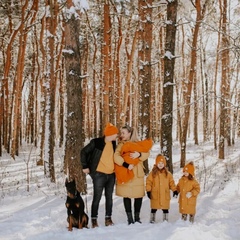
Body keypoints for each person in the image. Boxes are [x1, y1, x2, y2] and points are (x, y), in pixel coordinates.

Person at [80, 123, 118, 228]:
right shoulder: (96, 143)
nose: (116, 135)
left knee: (109, 197)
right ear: (109, 134)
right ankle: (94, 220)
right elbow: (83, 152)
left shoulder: (114, 143)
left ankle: (108, 218)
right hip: (98, 174)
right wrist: (85, 166)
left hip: (111, 175)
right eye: (115, 133)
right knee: (97, 197)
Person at [114, 125, 153, 225]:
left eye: (123, 133)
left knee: (138, 195)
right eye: (121, 133)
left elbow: (147, 153)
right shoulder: (121, 145)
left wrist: (139, 154)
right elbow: (116, 156)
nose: (121, 135)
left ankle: (137, 217)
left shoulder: (137, 144)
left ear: (129, 133)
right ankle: (129, 218)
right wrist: (126, 164)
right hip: (126, 171)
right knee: (126, 195)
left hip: (137, 172)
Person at [146, 154, 178, 223]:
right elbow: (149, 182)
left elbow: (171, 183)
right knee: (154, 208)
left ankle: (165, 220)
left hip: (164, 194)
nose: (160, 165)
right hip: (155, 194)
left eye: (162, 163)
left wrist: (174, 190)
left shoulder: (168, 174)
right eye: (159, 163)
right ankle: (152, 219)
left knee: (165, 208)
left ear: (164, 164)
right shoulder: (152, 173)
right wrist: (148, 190)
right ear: (156, 163)